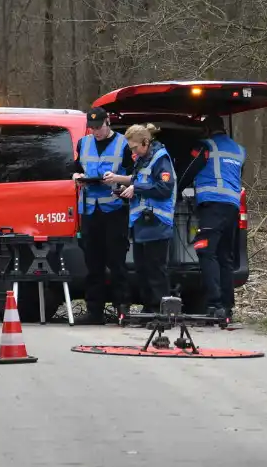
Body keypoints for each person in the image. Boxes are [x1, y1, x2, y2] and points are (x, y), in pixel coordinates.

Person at [70, 106, 134, 325]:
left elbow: (135, 173)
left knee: (117, 262)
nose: (96, 131)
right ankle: (94, 311)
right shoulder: (84, 143)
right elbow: (77, 167)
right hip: (90, 209)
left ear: (108, 122)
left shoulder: (123, 143)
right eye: (93, 128)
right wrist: (77, 175)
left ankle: (122, 308)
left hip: (114, 208)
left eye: (99, 127)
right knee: (93, 263)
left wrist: (117, 178)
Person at [103, 124, 176, 314]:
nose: (133, 152)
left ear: (145, 142)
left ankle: (162, 312)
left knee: (156, 270)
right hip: (141, 224)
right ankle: (148, 308)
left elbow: (164, 188)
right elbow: (138, 180)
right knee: (142, 270)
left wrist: (137, 189)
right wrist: (118, 180)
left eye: (135, 148)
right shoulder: (142, 160)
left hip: (157, 222)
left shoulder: (161, 159)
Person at [182, 114, 246, 320]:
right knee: (225, 256)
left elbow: (188, 171)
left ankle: (214, 304)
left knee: (206, 252)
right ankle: (227, 307)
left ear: (207, 130)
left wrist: (174, 191)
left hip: (212, 205)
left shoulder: (205, 146)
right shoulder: (239, 149)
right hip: (233, 206)